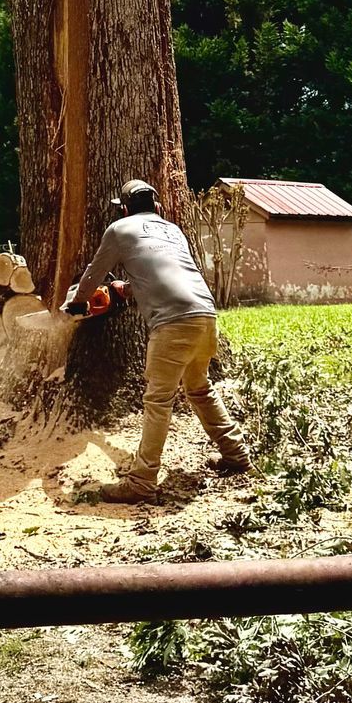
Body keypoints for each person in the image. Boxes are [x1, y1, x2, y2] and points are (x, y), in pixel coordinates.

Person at [62, 177, 251, 500]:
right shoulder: (173, 230)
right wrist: (128, 288)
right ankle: (236, 453)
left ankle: (142, 482)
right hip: (205, 317)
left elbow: (94, 272)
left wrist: (78, 303)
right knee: (200, 388)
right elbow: (167, 271)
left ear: (123, 210)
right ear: (157, 206)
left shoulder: (119, 230)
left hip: (172, 325)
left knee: (158, 401)